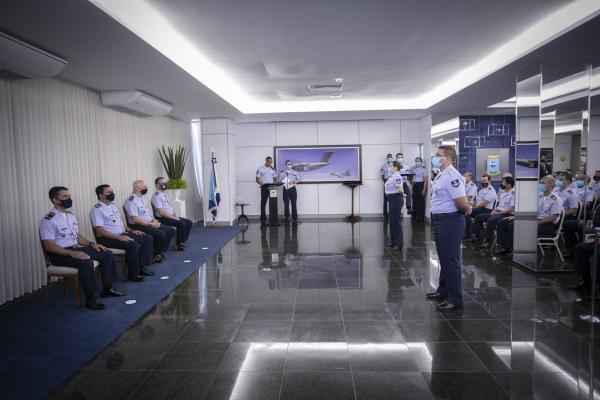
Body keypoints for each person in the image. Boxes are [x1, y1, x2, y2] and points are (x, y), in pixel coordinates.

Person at [40, 186, 125, 310]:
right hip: (59, 254)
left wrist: (92, 244)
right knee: (86, 262)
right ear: (55, 200)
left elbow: (77, 237)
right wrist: (71, 253)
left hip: (74, 249)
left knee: (106, 253)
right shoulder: (48, 220)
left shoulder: (70, 216)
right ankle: (92, 299)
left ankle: (107, 288)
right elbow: (49, 246)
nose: (69, 199)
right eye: (64, 197)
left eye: (69, 196)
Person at [426, 146, 471, 311]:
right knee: (443, 259)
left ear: (448, 158)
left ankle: (455, 299)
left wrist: (457, 214)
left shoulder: (452, 176)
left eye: (437, 155)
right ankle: (443, 291)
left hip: (450, 221)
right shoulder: (441, 175)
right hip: (440, 221)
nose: (434, 157)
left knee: (451, 261)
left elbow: (463, 205)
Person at [91, 184, 153, 282]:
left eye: (112, 191)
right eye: (108, 192)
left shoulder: (112, 206)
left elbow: (120, 223)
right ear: (101, 195)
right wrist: (118, 237)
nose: (112, 194)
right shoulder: (97, 209)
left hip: (121, 234)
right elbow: (100, 231)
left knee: (147, 238)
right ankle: (133, 274)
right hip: (108, 239)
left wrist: (131, 230)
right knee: (133, 245)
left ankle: (141, 268)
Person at [124, 180, 176, 261]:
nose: (146, 188)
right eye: (144, 187)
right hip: (138, 224)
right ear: (137, 188)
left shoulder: (142, 198)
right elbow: (135, 219)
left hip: (149, 222)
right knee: (160, 234)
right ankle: (155, 254)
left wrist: (154, 221)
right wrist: (150, 224)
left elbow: (148, 213)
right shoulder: (131, 201)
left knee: (170, 230)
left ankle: (159, 251)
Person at [152, 177, 193, 249]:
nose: (164, 185)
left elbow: (168, 207)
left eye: (165, 183)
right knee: (181, 224)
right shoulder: (156, 196)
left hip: (169, 216)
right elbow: (161, 212)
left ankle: (182, 241)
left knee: (189, 222)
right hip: (162, 218)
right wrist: (174, 218)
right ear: (157, 185)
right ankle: (178, 245)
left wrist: (174, 214)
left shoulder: (164, 194)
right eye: (162, 183)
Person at [478, 176, 515, 247]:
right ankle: (483, 238)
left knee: (491, 220)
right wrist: (494, 210)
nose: (502, 184)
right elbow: (499, 205)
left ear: (509, 184)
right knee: (483, 217)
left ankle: (490, 241)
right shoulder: (503, 193)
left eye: (503, 182)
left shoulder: (513, 194)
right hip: (499, 212)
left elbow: (511, 209)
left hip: (506, 214)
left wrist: (498, 213)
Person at [464, 174, 496, 240]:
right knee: (467, 211)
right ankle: (471, 234)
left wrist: (473, 208)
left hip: (486, 210)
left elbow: (484, 204)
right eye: (482, 181)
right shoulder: (481, 190)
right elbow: (476, 202)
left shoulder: (491, 190)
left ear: (489, 181)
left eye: (485, 181)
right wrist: (471, 206)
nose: (483, 182)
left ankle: (471, 235)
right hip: (479, 208)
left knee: (468, 211)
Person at [384, 161, 405, 251]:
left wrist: (403, 194)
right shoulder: (392, 176)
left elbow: (400, 189)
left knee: (396, 221)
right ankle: (393, 242)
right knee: (392, 221)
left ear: (396, 167)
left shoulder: (397, 176)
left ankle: (399, 244)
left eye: (391, 166)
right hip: (392, 199)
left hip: (396, 199)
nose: (389, 167)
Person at [256, 156, 278, 224]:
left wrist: (274, 184)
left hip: (271, 188)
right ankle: (263, 217)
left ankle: (273, 217)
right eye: (269, 162)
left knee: (273, 203)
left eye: (271, 162)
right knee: (263, 203)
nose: (270, 163)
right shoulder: (260, 169)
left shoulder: (273, 169)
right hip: (264, 187)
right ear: (266, 161)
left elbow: (275, 178)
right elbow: (257, 179)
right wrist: (262, 184)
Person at [410, 156, 428, 222]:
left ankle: (421, 216)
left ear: (421, 162)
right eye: (416, 161)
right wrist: (411, 189)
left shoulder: (424, 169)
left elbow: (426, 180)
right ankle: (414, 215)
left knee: (421, 201)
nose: (418, 162)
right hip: (414, 185)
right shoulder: (413, 168)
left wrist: (424, 189)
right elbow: (412, 179)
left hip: (421, 185)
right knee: (414, 201)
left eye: (419, 161)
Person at [380, 154, 393, 220]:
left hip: (393, 182)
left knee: (392, 199)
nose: (389, 158)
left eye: (390, 157)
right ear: (386, 158)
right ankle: (385, 214)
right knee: (385, 199)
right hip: (386, 181)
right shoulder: (383, 166)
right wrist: (386, 182)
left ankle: (392, 213)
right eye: (388, 157)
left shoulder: (394, 165)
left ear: (392, 158)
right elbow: (382, 176)